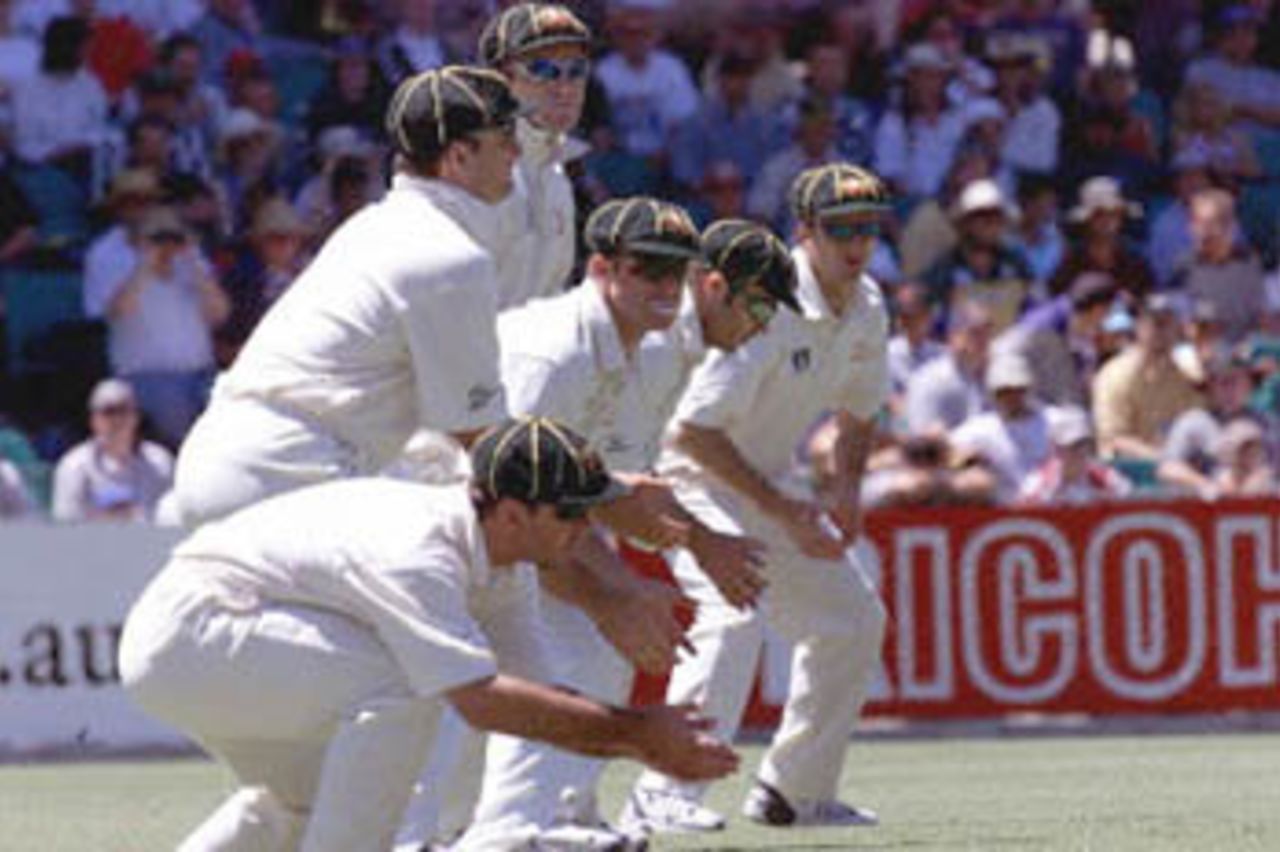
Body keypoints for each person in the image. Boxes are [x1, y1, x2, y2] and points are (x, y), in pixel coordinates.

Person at [118, 416, 739, 852]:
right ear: (513, 513)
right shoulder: (420, 549)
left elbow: (533, 694)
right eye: (571, 512)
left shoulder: (504, 562)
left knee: (295, 807)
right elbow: (480, 697)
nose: (586, 529)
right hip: (190, 632)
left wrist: (637, 734)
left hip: (211, 639)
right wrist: (638, 736)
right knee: (408, 686)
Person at [458, 209, 799, 850]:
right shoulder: (553, 353)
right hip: (456, 521)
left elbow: (603, 491)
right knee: (558, 656)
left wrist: (674, 557)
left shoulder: (650, 349)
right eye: (649, 270)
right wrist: (612, 594)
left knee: (596, 648)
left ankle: (561, 813)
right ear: (601, 268)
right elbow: (513, 493)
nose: (666, 287)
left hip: (512, 521)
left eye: (676, 271)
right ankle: (511, 830)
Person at [620, 164, 891, 835]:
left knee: (851, 621)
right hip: (686, 475)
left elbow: (861, 412)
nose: (856, 244)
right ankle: (663, 790)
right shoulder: (765, 296)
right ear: (806, 233)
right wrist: (785, 508)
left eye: (868, 228)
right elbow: (694, 431)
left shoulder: (868, 306)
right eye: (840, 230)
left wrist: (846, 492)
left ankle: (793, 793)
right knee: (731, 611)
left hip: (764, 483)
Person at [172, 66, 522, 527]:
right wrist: (600, 488)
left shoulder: (370, 227)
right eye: (504, 141)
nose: (516, 153)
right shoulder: (451, 258)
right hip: (288, 477)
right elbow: (481, 438)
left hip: (220, 464)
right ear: (458, 156)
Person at [82, 204, 230, 450]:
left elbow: (220, 313)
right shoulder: (122, 269)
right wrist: (146, 264)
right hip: (147, 376)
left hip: (202, 373)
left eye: (172, 237)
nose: (167, 245)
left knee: (230, 409)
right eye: (159, 238)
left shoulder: (192, 267)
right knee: (179, 420)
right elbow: (119, 311)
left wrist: (192, 259)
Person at [478, 1, 593, 309]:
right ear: (502, 81)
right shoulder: (475, 170)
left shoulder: (557, 173)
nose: (564, 87)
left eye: (577, 70)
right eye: (543, 70)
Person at [1093, 293, 1203, 461]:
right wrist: (1161, 458)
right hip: (1125, 470)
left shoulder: (1185, 375)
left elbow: (1195, 425)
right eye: (1156, 323)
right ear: (1138, 327)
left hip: (1176, 470)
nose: (1162, 330)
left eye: (1168, 323)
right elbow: (1114, 438)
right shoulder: (1114, 375)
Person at [51, 378, 173, 523]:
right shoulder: (73, 466)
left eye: (123, 410)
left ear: (136, 416)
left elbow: (173, 519)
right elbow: (65, 524)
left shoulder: (160, 461)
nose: (117, 419)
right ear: (93, 419)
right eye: (108, 411)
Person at [1018, 406, 1132, 504]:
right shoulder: (1036, 487)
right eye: (1074, 446)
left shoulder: (1108, 480)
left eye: (1084, 444)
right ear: (1056, 449)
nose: (1081, 452)